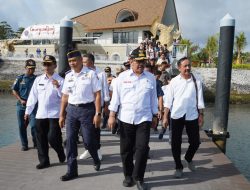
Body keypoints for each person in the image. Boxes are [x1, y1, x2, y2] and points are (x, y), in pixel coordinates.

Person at [108, 49, 158, 190]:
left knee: (142, 148)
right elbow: (115, 99)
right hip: (126, 118)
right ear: (131, 61)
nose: (141, 64)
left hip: (144, 118)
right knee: (126, 150)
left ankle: (139, 178)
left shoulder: (151, 78)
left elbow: (153, 99)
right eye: (138, 61)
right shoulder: (121, 78)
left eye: (143, 61)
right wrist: (112, 116)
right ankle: (128, 176)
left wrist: (155, 115)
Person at [59, 50, 102, 181]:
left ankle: (95, 158)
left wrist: (98, 113)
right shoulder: (68, 76)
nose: (72, 63)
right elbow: (65, 96)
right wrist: (61, 114)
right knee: (70, 141)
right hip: (71, 110)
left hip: (87, 110)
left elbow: (97, 95)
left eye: (74, 60)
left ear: (79, 60)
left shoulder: (90, 74)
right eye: (70, 61)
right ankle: (72, 171)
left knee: (88, 141)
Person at [162, 57, 205, 178]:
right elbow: (168, 101)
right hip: (176, 115)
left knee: (195, 142)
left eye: (189, 65)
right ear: (179, 68)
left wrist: (201, 114)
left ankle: (188, 158)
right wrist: (165, 117)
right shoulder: (174, 82)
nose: (187, 68)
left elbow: (200, 99)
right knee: (176, 143)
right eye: (185, 66)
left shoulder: (197, 81)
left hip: (192, 115)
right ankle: (178, 167)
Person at [24, 55, 65, 169]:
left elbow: (64, 98)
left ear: (55, 65)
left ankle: (60, 151)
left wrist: (58, 87)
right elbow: (33, 97)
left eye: (49, 64)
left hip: (55, 114)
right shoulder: (38, 79)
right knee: (40, 139)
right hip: (40, 114)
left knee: (52, 138)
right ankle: (44, 161)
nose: (46, 66)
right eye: (44, 64)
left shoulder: (61, 80)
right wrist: (27, 111)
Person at [79, 53, 110, 161]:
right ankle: (88, 149)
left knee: (95, 129)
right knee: (83, 131)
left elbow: (105, 91)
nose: (82, 64)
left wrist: (106, 106)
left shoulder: (100, 73)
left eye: (84, 62)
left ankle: (97, 150)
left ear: (91, 62)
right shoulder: (81, 72)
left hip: (97, 105)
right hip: (84, 105)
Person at [12, 59, 37, 151]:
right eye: (29, 68)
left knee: (34, 125)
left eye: (33, 68)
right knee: (21, 126)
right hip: (21, 105)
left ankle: (36, 142)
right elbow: (14, 90)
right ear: (25, 67)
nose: (31, 70)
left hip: (33, 106)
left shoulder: (36, 79)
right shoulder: (20, 78)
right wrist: (20, 99)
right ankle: (24, 144)